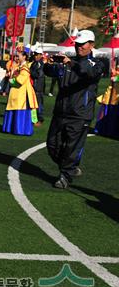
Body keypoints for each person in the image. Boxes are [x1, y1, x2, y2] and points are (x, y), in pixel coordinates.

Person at [44, 30, 104, 189]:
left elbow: (88, 73)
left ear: (91, 45)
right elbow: (50, 72)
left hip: (80, 114)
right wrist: (49, 64)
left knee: (72, 147)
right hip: (60, 111)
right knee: (52, 145)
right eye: (77, 44)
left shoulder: (96, 64)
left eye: (82, 44)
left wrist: (70, 63)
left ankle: (65, 175)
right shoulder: (68, 61)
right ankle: (70, 166)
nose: (79, 47)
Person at [2, 48, 38, 136]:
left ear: (24, 57)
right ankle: (13, 128)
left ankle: (20, 129)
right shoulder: (20, 67)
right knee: (14, 107)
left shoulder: (24, 68)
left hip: (21, 92)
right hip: (17, 92)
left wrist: (11, 80)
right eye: (16, 56)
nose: (17, 58)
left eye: (18, 56)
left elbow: (20, 80)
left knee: (20, 108)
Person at [94, 61, 119, 138]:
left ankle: (112, 131)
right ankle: (103, 129)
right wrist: (114, 73)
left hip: (117, 93)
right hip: (112, 90)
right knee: (106, 107)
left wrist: (117, 77)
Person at [30, 47, 45, 126]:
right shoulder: (34, 63)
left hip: (38, 88)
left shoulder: (40, 64)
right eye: (35, 54)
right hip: (33, 87)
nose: (35, 56)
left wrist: (29, 71)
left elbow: (38, 75)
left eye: (37, 55)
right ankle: (34, 120)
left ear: (40, 55)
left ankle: (40, 120)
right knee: (33, 105)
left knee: (39, 105)